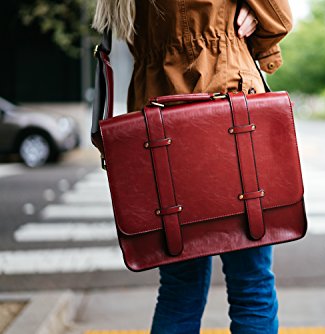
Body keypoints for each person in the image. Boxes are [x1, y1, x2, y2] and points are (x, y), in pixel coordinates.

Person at [92, 1, 292, 333]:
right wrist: (247, 20)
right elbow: (280, 18)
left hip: (155, 126)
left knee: (178, 288)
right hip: (229, 115)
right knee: (252, 284)